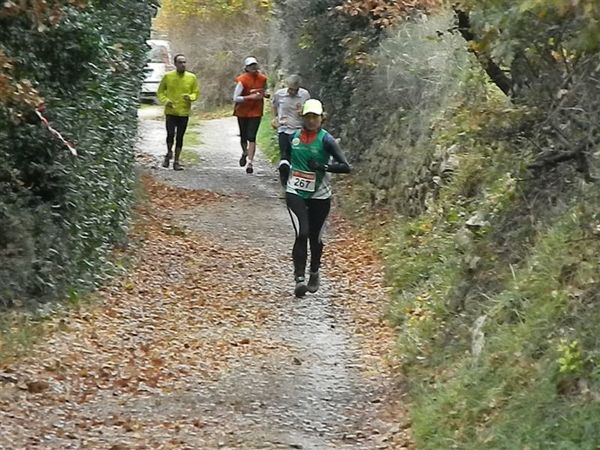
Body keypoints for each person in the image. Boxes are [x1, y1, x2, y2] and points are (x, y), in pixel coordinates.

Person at [278, 99, 351, 298]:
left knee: (315, 237)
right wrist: (284, 169)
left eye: (315, 117)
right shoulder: (293, 137)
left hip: (320, 194)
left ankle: (314, 271)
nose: (311, 121)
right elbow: (285, 157)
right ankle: (299, 278)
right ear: (302, 117)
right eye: (308, 117)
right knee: (302, 232)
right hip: (296, 192)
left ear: (322, 119)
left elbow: (346, 167)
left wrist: (323, 167)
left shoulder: (327, 140)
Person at [157, 53, 200, 171]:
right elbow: (160, 92)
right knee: (170, 134)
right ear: (175, 64)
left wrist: (190, 97)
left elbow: (196, 92)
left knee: (180, 137)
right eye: (180, 62)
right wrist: (166, 101)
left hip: (184, 112)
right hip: (171, 111)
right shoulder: (168, 76)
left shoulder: (192, 77)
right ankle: (168, 152)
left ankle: (176, 161)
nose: (183, 65)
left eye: (184, 62)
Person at [233, 56, 269, 174]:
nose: (253, 67)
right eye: (251, 66)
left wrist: (265, 94)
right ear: (246, 68)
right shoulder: (242, 80)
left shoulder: (263, 78)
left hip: (256, 111)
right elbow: (235, 98)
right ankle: (244, 152)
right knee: (244, 136)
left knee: (252, 137)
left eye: (255, 65)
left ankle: (250, 162)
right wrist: (250, 97)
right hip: (242, 111)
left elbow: (265, 90)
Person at [271, 74, 310, 161]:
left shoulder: (305, 95)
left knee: (297, 154)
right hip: (283, 128)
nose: (292, 92)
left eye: (295, 90)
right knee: (284, 155)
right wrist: (274, 118)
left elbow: (308, 110)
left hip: (298, 129)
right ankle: (284, 173)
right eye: (290, 89)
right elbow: (274, 105)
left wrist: (303, 112)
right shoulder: (279, 94)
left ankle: (295, 172)